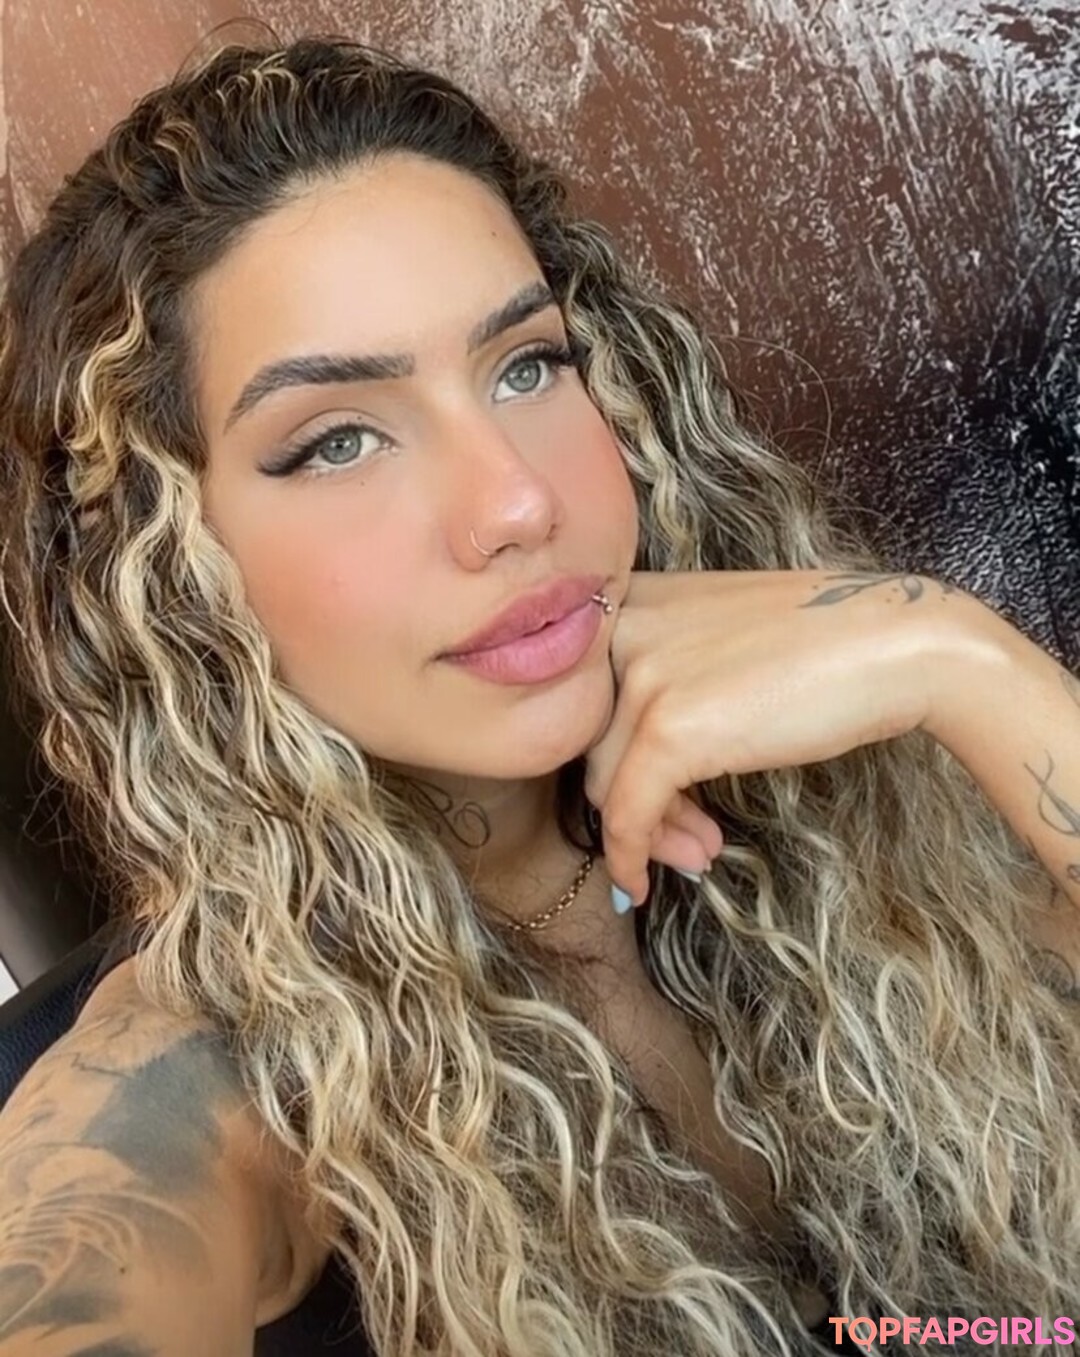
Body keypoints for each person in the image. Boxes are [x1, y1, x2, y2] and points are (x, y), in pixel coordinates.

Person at [0, 32, 1077, 1357]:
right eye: (337, 441)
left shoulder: (842, 833)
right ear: (173, 566)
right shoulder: (200, 1079)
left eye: (526, 366)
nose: (516, 498)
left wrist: (961, 663)